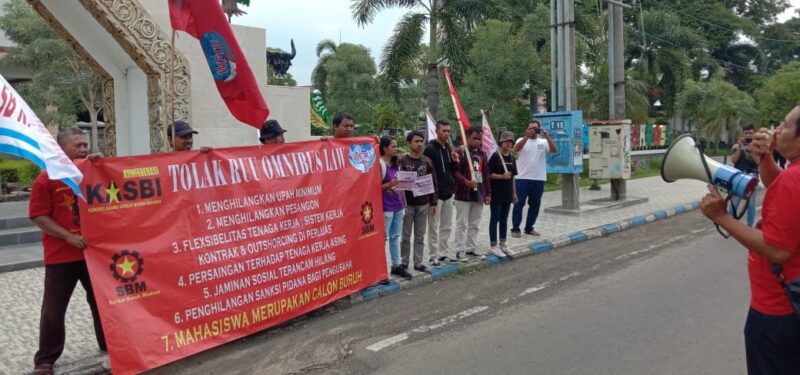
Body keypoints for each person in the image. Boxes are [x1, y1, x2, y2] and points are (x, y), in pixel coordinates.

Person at [700, 105, 800, 375]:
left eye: (785, 125)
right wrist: (765, 158)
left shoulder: (795, 178)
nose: (777, 130)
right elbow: (780, 185)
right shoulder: (792, 173)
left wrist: (722, 217)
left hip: (777, 311)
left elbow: (777, 250)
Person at [30, 128, 106, 375]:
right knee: (54, 308)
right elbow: (38, 216)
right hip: (61, 256)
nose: (84, 148)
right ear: (62, 148)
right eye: (78, 145)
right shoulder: (45, 178)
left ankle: (109, 345)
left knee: (102, 303)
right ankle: (45, 359)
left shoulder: (89, 172)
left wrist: (101, 165)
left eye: (85, 144)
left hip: (93, 254)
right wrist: (68, 237)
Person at [398, 130, 437, 274]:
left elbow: (433, 181)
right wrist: (402, 203)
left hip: (424, 203)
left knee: (420, 235)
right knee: (406, 235)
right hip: (408, 205)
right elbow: (397, 183)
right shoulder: (402, 161)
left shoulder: (427, 161)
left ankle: (418, 262)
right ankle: (403, 262)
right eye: (416, 141)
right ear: (409, 143)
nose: (419, 144)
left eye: (421, 141)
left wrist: (433, 202)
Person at [423, 119, 460, 266]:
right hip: (435, 196)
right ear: (436, 131)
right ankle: (433, 256)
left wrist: (455, 160)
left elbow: (451, 171)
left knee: (447, 226)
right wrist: (432, 196)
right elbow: (427, 174)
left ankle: (444, 254)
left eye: (449, 131)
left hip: (448, 193)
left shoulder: (449, 149)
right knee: (433, 227)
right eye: (444, 131)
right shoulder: (430, 149)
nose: (446, 133)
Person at [511, 120, 556, 237]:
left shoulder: (543, 141)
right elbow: (515, 149)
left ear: (539, 129)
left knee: (535, 205)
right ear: (527, 129)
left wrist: (548, 137)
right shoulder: (521, 140)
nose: (533, 130)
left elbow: (553, 150)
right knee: (519, 204)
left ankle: (529, 228)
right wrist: (527, 137)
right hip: (522, 178)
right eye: (531, 128)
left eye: (535, 128)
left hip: (538, 178)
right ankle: (515, 229)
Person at [453, 125, 491, 261]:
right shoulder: (460, 152)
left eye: (479, 139)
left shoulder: (482, 154)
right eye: (474, 138)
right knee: (461, 224)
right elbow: (455, 172)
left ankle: (470, 249)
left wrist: (487, 193)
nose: (477, 141)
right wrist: (466, 181)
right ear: (467, 137)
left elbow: (485, 175)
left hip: (478, 194)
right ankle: (459, 250)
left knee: (475, 224)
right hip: (463, 194)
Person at [380, 136, 412, 280]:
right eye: (393, 146)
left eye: (396, 146)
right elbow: (372, 187)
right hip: (385, 207)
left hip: (398, 206)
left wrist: (404, 204)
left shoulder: (396, 164)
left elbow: (401, 186)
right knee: (383, 238)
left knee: (395, 237)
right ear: (385, 148)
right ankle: (380, 270)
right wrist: (388, 185)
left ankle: (395, 266)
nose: (396, 148)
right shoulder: (379, 164)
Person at [488, 131, 518, 258]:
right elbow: (489, 174)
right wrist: (501, 176)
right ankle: (493, 245)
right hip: (496, 193)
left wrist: (514, 193)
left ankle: (503, 244)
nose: (508, 143)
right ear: (501, 142)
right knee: (495, 218)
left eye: (510, 141)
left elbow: (512, 178)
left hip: (507, 193)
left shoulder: (511, 157)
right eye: (506, 141)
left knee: (504, 219)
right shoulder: (495, 156)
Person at [730, 124, 760, 227]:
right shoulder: (736, 146)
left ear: (754, 134)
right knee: (734, 202)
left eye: (750, 133)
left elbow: (759, 162)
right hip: (738, 178)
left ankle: (750, 226)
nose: (748, 135)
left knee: (751, 204)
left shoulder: (757, 147)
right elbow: (734, 160)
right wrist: (739, 147)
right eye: (746, 133)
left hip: (752, 178)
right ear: (743, 134)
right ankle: (731, 225)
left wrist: (752, 150)